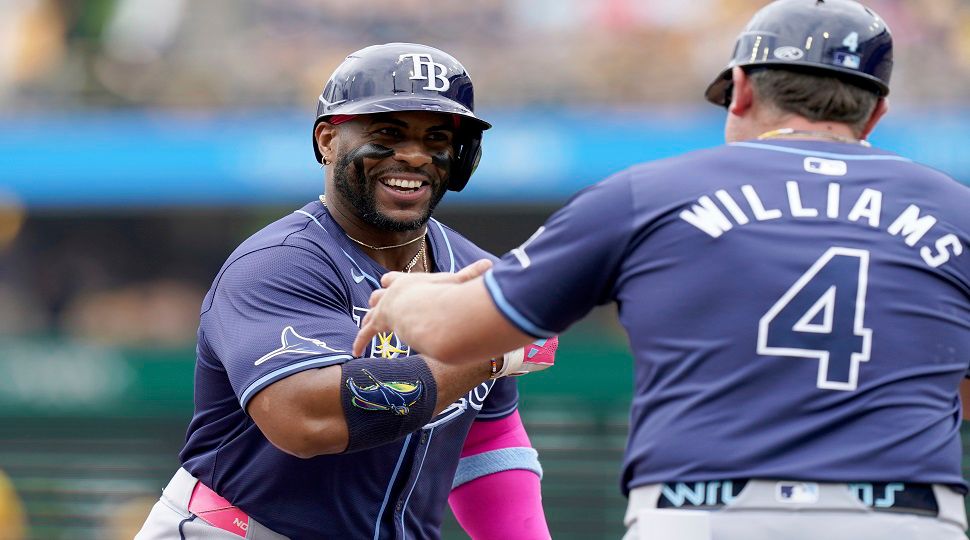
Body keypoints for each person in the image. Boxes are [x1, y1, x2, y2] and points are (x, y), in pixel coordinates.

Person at [355, 2, 970, 539]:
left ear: (744, 90)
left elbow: (460, 332)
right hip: (906, 510)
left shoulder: (651, 193)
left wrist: (404, 299)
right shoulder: (956, 210)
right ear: (877, 111)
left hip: (703, 509)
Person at [136, 43, 557, 540]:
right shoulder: (280, 262)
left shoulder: (470, 267)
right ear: (328, 141)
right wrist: (486, 351)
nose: (414, 155)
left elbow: (486, 439)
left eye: (437, 137)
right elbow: (306, 419)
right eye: (387, 133)